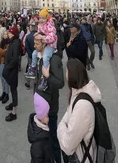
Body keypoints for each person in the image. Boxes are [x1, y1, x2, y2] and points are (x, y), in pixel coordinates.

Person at [57, 59, 102, 162]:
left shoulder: (83, 106)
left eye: (67, 71)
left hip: (81, 157)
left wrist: (60, 127)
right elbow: (68, 116)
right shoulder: (77, 94)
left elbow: (68, 145)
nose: (65, 74)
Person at [32, 34, 65, 162]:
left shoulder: (53, 59)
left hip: (50, 107)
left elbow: (60, 83)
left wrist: (47, 76)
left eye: (37, 44)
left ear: (45, 43)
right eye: (34, 43)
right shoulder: (38, 57)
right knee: (44, 139)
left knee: (53, 138)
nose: (35, 46)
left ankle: (57, 159)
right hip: (41, 105)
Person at [26, 8, 58, 90]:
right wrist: (37, 33)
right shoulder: (40, 25)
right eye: (40, 18)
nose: (41, 20)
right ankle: (32, 69)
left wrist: (42, 37)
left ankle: (45, 77)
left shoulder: (50, 25)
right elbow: (40, 32)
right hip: (43, 44)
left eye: (43, 18)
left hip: (51, 45)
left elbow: (52, 37)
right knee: (34, 54)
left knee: (46, 56)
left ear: (47, 18)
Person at [3, 25, 22, 122]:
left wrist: (7, 68)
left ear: (14, 34)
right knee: (12, 87)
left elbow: (15, 59)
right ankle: (12, 104)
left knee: (14, 90)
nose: (8, 34)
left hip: (12, 71)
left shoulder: (16, 43)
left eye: (10, 33)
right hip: (10, 69)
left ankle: (14, 112)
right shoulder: (13, 41)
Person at [28, 93, 53, 163]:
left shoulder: (44, 127)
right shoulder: (37, 146)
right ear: (41, 117)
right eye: (47, 115)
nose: (49, 118)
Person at [0, 29, 11, 104]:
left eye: (6, 34)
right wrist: (1, 51)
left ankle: (7, 94)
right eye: (4, 34)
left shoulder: (9, 43)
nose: (5, 35)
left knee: (6, 79)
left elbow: (5, 53)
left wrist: (0, 51)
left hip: (5, 63)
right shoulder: (1, 42)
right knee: (2, 78)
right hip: (0, 62)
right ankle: (3, 92)